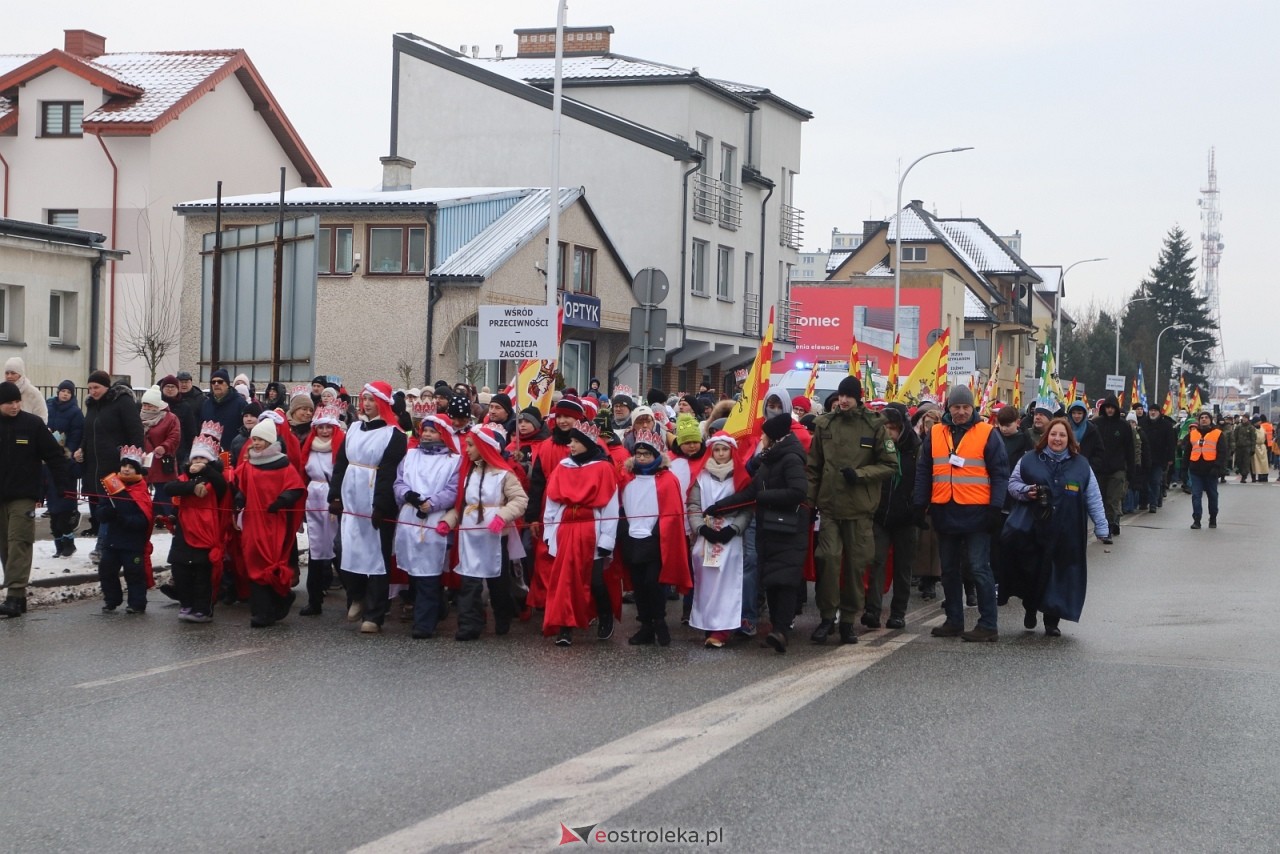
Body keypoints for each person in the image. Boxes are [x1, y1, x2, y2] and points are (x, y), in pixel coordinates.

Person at [705, 412, 809, 653]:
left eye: (763, 434)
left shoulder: (790, 459)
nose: (760, 438)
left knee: (784, 581)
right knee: (772, 579)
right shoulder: (768, 460)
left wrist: (764, 498)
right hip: (770, 527)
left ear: (772, 438)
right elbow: (750, 492)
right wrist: (720, 507)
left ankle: (781, 630)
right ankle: (777, 629)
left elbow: (798, 492)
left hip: (789, 528)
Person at [913, 385, 1010, 643]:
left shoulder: (988, 433)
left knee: (979, 568)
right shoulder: (934, 433)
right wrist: (919, 504)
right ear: (948, 409)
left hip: (978, 512)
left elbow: (1000, 473)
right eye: (956, 407)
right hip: (945, 510)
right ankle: (954, 621)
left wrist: (995, 508)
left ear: (973, 408)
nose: (961, 412)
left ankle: (988, 624)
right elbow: (924, 471)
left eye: (966, 407)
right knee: (949, 570)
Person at [805, 375, 896, 643]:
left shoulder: (875, 425)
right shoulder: (824, 425)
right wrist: (809, 503)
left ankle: (847, 620)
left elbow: (890, 465)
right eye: (840, 395)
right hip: (830, 507)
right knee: (829, 561)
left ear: (858, 398)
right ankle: (826, 618)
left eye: (848, 396)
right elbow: (813, 468)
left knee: (856, 567)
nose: (843, 400)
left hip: (860, 509)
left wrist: (861, 474)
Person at [1005, 417, 1109, 636]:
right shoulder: (1029, 460)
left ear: (1069, 438)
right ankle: (1030, 608)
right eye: (1053, 434)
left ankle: (1052, 620)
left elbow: (1093, 496)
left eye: (1062, 435)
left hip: (1067, 531)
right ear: (1046, 437)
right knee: (1033, 573)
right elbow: (1012, 485)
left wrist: (1101, 526)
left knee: (1059, 575)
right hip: (1034, 530)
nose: (1057, 439)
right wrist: (1026, 492)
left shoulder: (1081, 465)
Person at [328, 382, 408, 634]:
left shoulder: (393, 434)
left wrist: (381, 505)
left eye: (372, 400)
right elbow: (340, 464)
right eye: (364, 399)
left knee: (377, 557)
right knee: (344, 549)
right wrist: (335, 496)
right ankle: (356, 595)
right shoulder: (352, 429)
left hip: (374, 500)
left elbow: (388, 473)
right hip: (350, 497)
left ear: (383, 403)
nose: (367, 404)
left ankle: (374, 613)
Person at [440, 424, 528, 640]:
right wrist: (448, 522)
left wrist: (502, 516)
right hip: (470, 537)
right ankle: (469, 624)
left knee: (498, 582)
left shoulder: (504, 474)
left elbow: (520, 500)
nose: (466, 449)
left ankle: (502, 615)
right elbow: (462, 505)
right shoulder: (468, 473)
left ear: (483, 446)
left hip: (495, 536)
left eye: (470, 445)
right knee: (469, 582)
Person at [541, 418, 619, 647]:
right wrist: (549, 531)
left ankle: (605, 613)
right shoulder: (563, 467)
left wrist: (607, 538)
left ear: (587, 443)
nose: (570, 445)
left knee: (594, 580)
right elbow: (552, 502)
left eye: (576, 441)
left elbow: (611, 506)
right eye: (570, 441)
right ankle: (565, 627)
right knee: (565, 580)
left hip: (591, 529)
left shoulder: (603, 468)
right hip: (566, 528)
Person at [0, 382, 71, 617]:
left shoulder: (32, 424)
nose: (14, 406)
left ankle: (13, 594)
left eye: (17, 401)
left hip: (24, 495)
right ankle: (17, 598)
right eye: (9, 402)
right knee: (5, 546)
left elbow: (54, 455)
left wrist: (61, 486)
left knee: (19, 541)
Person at [616, 429, 692, 646]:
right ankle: (646, 625)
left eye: (646, 454)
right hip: (632, 537)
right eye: (638, 454)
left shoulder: (668, 479)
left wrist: (659, 531)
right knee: (638, 585)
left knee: (654, 582)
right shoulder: (626, 477)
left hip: (656, 538)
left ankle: (659, 620)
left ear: (656, 456)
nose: (641, 458)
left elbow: (673, 512)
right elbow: (619, 505)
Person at [234, 418, 305, 627]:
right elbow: (242, 486)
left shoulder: (283, 465)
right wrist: (240, 498)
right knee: (253, 560)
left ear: (269, 441)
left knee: (269, 562)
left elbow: (295, 488)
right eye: (253, 439)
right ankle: (261, 611)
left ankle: (277, 600)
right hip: (253, 522)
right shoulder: (249, 465)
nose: (254, 443)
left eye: (259, 439)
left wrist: (282, 500)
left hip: (274, 523)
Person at [393, 416, 459, 638]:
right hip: (411, 516)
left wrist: (432, 503)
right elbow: (399, 481)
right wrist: (407, 495)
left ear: (443, 434)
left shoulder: (453, 460)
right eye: (425, 430)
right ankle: (436, 607)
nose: (428, 435)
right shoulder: (410, 455)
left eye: (433, 431)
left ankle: (424, 623)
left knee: (429, 572)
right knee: (414, 569)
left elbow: (453, 490)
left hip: (434, 518)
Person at [687, 433, 751, 648]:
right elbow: (693, 506)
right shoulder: (701, 477)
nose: (721, 454)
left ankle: (723, 628)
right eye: (717, 450)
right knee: (706, 580)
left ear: (731, 451)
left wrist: (733, 529)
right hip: (707, 535)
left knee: (728, 581)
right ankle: (708, 622)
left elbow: (746, 508)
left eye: (725, 449)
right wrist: (701, 528)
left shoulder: (740, 476)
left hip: (729, 536)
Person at [76, 370, 145, 563]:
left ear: (107, 387)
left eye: (96, 387)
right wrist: (81, 448)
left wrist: (132, 461)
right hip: (94, 466)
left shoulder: (122, 402)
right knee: (101, 508)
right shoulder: (92, 406)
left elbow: (136, 431)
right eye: (89, 388)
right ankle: (110, 546)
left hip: (117, 466)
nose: (92, 391)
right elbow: (88, 432)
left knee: (112, 505)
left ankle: (103, 548)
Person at [163, 429, 230, 622]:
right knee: (181, 570)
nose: (198, 462)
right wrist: (192, 487)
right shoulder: (184, 479)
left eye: (203, 459)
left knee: (202, 573)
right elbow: (170, 488)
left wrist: (206, 470)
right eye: (195, 459)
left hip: (206, 531)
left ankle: (203, 608)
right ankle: (186, 604)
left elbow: (221, 486)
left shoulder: (216, 478)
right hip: (185, 530)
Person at [866, 404, 919, 630]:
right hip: (880, 515)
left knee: (903, 567)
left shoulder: (916, 448)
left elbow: (922, 479)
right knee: (876, 562)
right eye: (885, 427)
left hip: (906, 517)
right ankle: (872, 611)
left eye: (893, 427)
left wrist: (917, 507)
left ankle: (898, 613)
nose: (889, 432)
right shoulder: (875, 448)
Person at [299, 405, 346, 616]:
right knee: (316, 548)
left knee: (338, 547)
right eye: (321, 427)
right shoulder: (309, 447)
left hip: (332, 496)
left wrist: (338, 498)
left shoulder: (340, 448)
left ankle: (353, 597)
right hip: (313, 496)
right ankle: (314, 599)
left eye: (328, 427)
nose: (324, 431)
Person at [96, 445, 154, 614]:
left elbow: (144, 520)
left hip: (132, 543)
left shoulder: (141, 491)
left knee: (134, 573)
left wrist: (123, 520)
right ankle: (111, 600)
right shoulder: (112, 486)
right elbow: (101, 510)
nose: (127, 470)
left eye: (131, 467)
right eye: (124, 466)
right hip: (112, 540)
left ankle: (137, 603)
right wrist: (106, 513)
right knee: (106, 570)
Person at [44, 380, 84, 558]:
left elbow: (77, 434)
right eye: (63, 391)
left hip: (65, 462)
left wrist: (67, 451)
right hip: (48, 462)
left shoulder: (75, 412)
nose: (65, 394)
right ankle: (58, 544)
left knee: (65, 505)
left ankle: (69, 543)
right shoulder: (48, 406)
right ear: (57, 392)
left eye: (68, 392)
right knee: (53, 508)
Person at [911, 402, 943, 599]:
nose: (929, 426)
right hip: (921, 496)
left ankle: (932, 579)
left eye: (933, 422)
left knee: (935, 542)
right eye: (926, 422)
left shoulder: (942, 442)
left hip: (938, 496)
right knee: (921, 541)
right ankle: (922, 576)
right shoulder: (915, 443)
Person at [1091, 396, 1135, 539]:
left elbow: (1130, 449)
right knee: (1101, 500)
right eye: (1107, 407)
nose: (1110, 410)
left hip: (1117, 469)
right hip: (1099, 469)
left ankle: (1110, 526)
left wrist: (1131, 471)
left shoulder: (1123, 426)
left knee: (1113, 500)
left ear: (1116, 408)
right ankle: (1104, 525)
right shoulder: (1096, 424)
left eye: (1112, 407)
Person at [140, 386, 182, 522]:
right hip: (144, 461)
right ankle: (153, 516)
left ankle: (171, 517)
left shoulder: (170, 418)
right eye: (145, 404)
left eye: (150, 404)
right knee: (145, 491)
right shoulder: (138, 417)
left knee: (163, 490)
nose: (147, 407)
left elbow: (174, 437)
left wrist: (164, 447)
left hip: (161, 461)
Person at [1183, 410, 1226, 529]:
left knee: (1212, 495)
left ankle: (1213, 517)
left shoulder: (1218, 433)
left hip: (1211, 470)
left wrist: (1217, 467)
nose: (1204, 419)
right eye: (1202, 417)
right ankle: (1197, 520)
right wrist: (1184, 468)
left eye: (1206, 417)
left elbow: (1222, 452)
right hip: (1196, 470)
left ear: (1210, 420)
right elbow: (1187, 452)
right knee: (1196, 496)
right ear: (1199, 420)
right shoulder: (1193, 434)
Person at [1143, 403, 1176, 511]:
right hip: (1145, 458)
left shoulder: (1166, 425)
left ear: (1159, 412)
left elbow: (1171, 443)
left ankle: (1153, 503)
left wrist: (1170, 458)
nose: (1152, 412)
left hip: (1159, 458)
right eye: (1151, 410)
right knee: (1145, 481)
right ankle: (1148, 500)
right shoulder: (1143, 423)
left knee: (1156, 481)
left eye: (1155, 411)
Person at [201, 369, 247, 447]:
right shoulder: (206, 404)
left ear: (227, 384)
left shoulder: (240, 404)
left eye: (220, 382)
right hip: (210, 452)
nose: (216, 384)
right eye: (213, 382)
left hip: (232, 451)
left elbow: (245, 429)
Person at [3, 357, 48, 422]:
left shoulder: (33, 393)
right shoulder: (2, 391)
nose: (9, 376)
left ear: (20, 374)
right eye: (7, 373)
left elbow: (42, 418)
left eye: (13, 373)